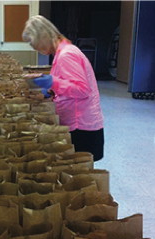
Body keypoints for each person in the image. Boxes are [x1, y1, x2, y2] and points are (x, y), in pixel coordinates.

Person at [22, 15, 104, 161]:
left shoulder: (67, 54)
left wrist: (53, 82)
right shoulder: (62, 52)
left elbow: (82, 90)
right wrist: (48, 93)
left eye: (34, 44)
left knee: (80, 171)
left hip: (81, 125)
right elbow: (68, 84)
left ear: (43, 36)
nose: (34, 48)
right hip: (77, 120)